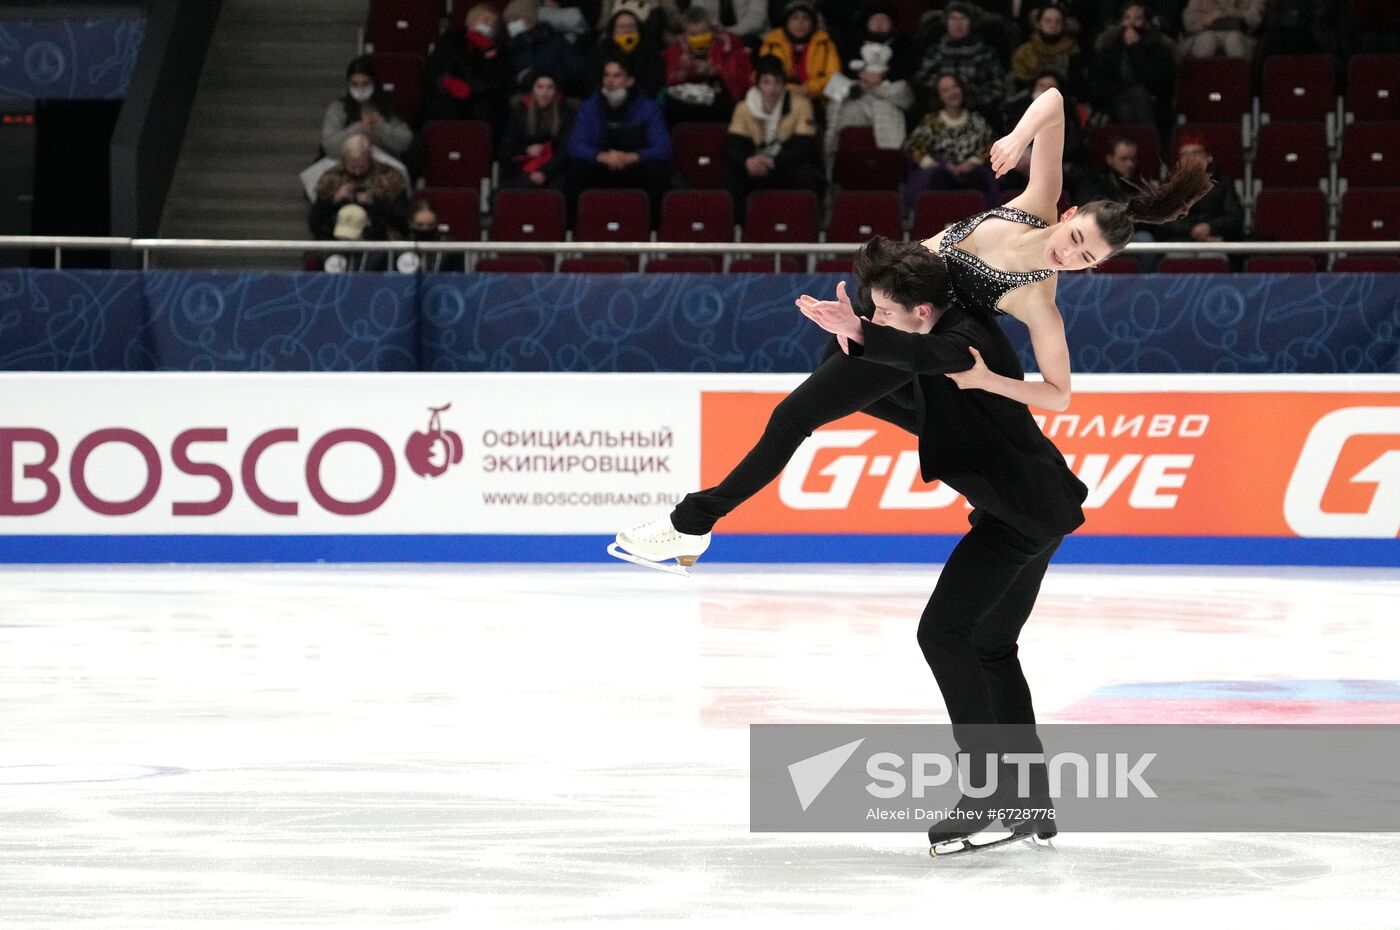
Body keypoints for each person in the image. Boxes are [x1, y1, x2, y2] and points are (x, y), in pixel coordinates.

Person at [613, 83, 1211, 851]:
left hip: (938, 369)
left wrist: (974, 374)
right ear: (1067, 215)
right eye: (1076, 240)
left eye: (1087, 259)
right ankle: (1027, 801)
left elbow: (1053, 390)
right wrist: (1019, 134)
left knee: (809, 421)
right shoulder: (1034, 202)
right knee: (988, 643)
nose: (1073, 255)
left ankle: (690, 525)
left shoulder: (1032, 303)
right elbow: (1058, 97)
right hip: (937, 379)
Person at [567, 56, 672, 224]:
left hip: (634, 166)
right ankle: (576, 231)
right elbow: (575, 145)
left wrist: (630, 157)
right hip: (601, 165)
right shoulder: (589, 106)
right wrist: (602, 156)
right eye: (606, 75)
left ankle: (653, 231)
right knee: (575, 169)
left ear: (629, 80)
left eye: (617, 76)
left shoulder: (648, 107)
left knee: (658, 172)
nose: (609, 81)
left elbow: (662, 147)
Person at [724, 54, 823, 221]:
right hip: (756, 164)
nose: (772, 89)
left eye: (777, 82)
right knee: (732, 173)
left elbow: (804, 147)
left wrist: (774, 161)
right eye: (766, 82)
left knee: (807, 172)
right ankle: (737, 229)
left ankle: (804, 225)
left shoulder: (800, 104)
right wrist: (747, 162)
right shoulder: (744, 107)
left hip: (786, 164)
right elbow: (734, 145)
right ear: (758, 84)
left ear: (784, 83)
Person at [822, 2, 916, 172]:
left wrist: (881, 78)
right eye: (875, 19)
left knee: (900, 91)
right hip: (855, 99)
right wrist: (859, 82)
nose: (879, 23)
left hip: (890, 100)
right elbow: (835, 86)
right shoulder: (851, 45)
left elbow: (906, 90)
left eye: (884, 20)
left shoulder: (903, 45)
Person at [903, 72, 1000, 210]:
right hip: (939, 173)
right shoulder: (932, 122)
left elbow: (991, 145)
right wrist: (935, 164)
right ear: (940, 96)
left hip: (972, 172)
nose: (952, 93)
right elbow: (912, 146)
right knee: (939, 178)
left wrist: (972, 162)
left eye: (955, 87)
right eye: (945, 90)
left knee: (978, 178)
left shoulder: (976, 120)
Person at [1088, 3, 1176, 135]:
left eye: (1137, 18)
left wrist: (1136, 49)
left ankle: (1145, 144)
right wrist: (1125, 87)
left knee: (1130, 105)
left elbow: (1157, 83)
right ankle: (1150, 145)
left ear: (1146, 23)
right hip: (1113, 99)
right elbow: (1097, 86)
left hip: (1152, 101)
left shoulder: (1158, 49)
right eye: (1127, 18)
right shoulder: (1109, 49)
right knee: (1133, 96)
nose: (1131, 23)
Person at [309, 133, 410, 245]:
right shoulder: (331, 180)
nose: (357, 172)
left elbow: (404, 220)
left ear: (369, 158)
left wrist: (375, 203)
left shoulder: (390, 178)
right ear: (344, 161)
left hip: (381, 241)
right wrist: (334, 200)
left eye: (362, 166)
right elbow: (314, 222)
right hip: (337, 239)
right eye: (352, 167)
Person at [424, 4, 511, 134]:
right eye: (485, 20)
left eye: (493, 24)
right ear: (472, 21)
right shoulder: (450, 41)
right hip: (450, 94)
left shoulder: (498, 50)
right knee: (441, 108)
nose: (489, 26)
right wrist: (447, 82)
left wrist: (491, 57)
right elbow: (434, 69)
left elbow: (500, 82)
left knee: (485, 111)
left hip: (481, 98)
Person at [915, 1, 1008, 119]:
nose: (957, 24)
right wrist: (946, 93)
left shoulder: (986, 53)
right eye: (952, 19)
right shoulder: (935, 52)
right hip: (940, 112)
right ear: (946, 22)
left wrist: (972, 100)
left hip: (979, 112)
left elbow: (998, 87)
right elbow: (923, 80)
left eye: (963, 18)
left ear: (971, 22)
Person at [663, 6, 754, 125]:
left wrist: (714, 71)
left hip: (722, 101)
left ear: (711, 30)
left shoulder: (730, 44)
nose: (700, 39)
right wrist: (684, 71)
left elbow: (741, 83)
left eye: (704, 33)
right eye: (694, 35)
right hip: (687, 106)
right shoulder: (675, 50)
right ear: (685, 34)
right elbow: (669, 82)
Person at [321, 56, 414, 161]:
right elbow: (329, 147)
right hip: (346, 163)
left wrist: (381, 127)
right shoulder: (337, 108)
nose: (360, 89)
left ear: (373, 82)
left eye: (365, 83)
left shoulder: (387, 105)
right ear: (348, 84)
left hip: (382, 165)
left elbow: (405, 142)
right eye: (355, 84)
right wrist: (359, 128)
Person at [1157, 131, 1242, 244]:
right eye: (1184, 154)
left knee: (1215, 257)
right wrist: (1193, 231)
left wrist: (1210, 227)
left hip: (1215, 239)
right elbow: (1163, 219)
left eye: (1196, 153)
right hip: (1179, 241)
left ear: (1208, 157)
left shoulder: (1223, 183)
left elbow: (1234, 217)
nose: (1190, 158)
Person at [499, 71, 577, 190]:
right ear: (533, 90)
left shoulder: (565, 113)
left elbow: (564, 150)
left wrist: (545, 172)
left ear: (555, 91)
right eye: (540, 87)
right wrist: (526, 149)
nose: (544, 92)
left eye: (550, 87)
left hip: (554, 168)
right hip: (524, 164)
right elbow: (506, 147)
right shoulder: (519, 112)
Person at [757, 0, 841, 104]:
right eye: (794, 18)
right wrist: (793, 90)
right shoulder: (772, 43)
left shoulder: (824, 42)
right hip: (780, 97)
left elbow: (833, 76)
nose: (800, 23)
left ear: (813, 24)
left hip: (817, 98)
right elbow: (762, 75)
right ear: (786, 23)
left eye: (805, 18)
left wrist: (809, 88)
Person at [502, 0, 587, 96]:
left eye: (515, 19)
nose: (511, 25)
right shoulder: (511, 47)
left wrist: (549, 78)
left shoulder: (555, 41)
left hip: (556, 99)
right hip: (524, 103)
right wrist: (516, 80)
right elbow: (503, 81)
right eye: (508, 21)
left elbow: (577, 73)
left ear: (529, 19)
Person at [587, 9, 667, 97]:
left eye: (632, 26)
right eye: (622, 27)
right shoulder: (601, 49)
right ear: (613, 30)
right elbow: (593, 80)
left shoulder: (650, 50)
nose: (627, 30)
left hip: (641, 100)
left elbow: (656, 80)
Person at [1010, 4, 1081, 95]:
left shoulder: (1073, 50)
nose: (1053, 25)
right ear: (1039, 23)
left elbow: (1077, 85)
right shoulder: (1025, 52)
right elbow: (1018, 82)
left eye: (1058, 21)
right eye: (1048, 21)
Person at [1179, 0, 1263, 59]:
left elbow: (1255, 19)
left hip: (1242, 34)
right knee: (1207, 40)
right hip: (1205, 32)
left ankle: (1238, 81)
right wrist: (1209, 19)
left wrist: (1232, 13)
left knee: (1234, 40)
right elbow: (1189, 23)